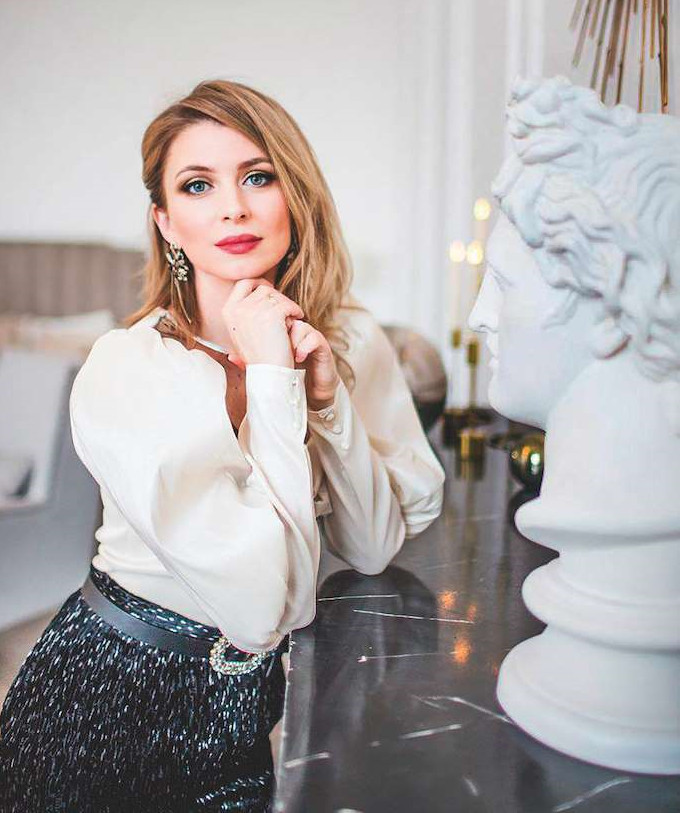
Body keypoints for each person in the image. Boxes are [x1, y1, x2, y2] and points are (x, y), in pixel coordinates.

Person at [0, 79, 445, 812]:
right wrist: (271, 378)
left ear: (295, 195)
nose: (233, 207)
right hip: (107, 704)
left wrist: (324, 402)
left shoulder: (351, 338)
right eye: (198, 185)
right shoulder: (130, 367)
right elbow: (264, 607)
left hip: (247, 709)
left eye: (258, 176)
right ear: (167, 223)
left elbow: (370, 546)